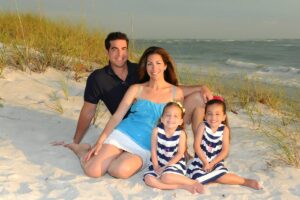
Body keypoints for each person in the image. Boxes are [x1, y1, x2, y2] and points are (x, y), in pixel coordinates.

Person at [70, 31, 212, 145]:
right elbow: (88, 112)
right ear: (107, 52)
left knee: (199, 98)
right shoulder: (98, 78)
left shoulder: (140, 70)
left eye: (124, 49)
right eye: (114, 49)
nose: (120, 54)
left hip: (160, 116)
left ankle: (198, 148)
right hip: (132, 124)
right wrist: (76, 141)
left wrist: (201, 87)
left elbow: (166, 89)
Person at [67, 46, 186, 179]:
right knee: (93, 171)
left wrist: (183, 152)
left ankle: (113, 157)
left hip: (147, 144)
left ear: (165, 66)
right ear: (145, 67)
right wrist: (100, 142)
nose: (154, 68)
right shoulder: (136, 89)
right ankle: (82, 150)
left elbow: (179, 124)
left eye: (158, 63)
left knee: (119, 171)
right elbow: (117, 116)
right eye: (149, 64)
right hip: (124, 133)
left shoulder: (176, 93)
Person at [187, 96, 261, 189]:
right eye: (209, 114)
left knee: (220, 175)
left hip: (216, 161)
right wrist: (205, 162)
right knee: (198, 177)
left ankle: (244, 181)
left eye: (217, 114)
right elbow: (196, 146)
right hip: (201, 161)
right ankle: (214, 177)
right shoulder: (202, 126)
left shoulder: (224, 129)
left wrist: (212, 163)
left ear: (223, 117)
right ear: (205, 116)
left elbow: (225, 151)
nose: (213, 117)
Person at [144, 102, 203, 194]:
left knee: (166, 177)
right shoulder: (156, 131)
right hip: (158, 162)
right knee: (148, 179)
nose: (171, 118)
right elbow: (153, 150)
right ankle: (181, 186)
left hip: (174, 163)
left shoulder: (181, 134)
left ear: (180, 121)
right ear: (162, 119)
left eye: (175, 116)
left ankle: (193, 182)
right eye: (168, 115)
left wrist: (166, 167)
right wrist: (155, 166)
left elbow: (180, 154)